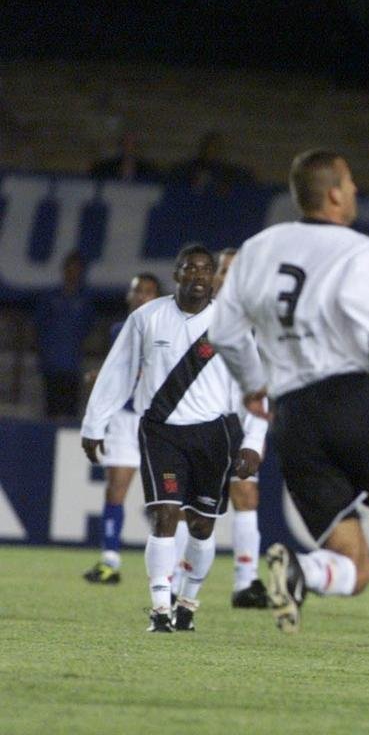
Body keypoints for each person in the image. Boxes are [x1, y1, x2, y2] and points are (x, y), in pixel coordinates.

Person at [208, 149, 369, 721]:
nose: (356, 192)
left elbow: (223, 329)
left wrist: (253, 384)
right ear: (335, 194)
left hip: (292, 416)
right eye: (351, 182)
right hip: (350, 400)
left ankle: (302, 571)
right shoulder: (357, 249)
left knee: (355, 566)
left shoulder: (258, 249)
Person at [80, 244, 267, 634]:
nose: (198, 276)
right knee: (164, 516)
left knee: (201, 526)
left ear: (214, 277)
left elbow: (254, 388)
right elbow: (118, 371)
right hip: (160, 431)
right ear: (176, 274)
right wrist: (94, 425)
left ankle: (187, 601)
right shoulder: (147, 318)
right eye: (189, 269)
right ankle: (160, 608)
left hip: (212, 433)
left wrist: (253, 441)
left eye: (205, 270)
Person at [83, 272, 162, 584]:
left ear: (159, 297)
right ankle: (110, 561)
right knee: (115, 488)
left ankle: (172, 571)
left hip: (157, 422)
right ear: (129, 297)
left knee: (166, 500)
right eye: (137, 291)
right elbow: (120, 368)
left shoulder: (170, 327)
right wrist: (100, 377)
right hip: (126, 418)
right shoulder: (119, 330)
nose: (142, 296)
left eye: (149, 291)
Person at [214, 247, 269, 609]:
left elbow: (265, 389)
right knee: (192, 509)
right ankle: (174, 584)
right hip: (197, 421)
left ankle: (245, 583)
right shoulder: (194, 316)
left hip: (242, 421)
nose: (228, 276)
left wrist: (255, 437)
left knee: (246, 496)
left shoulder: (262, 326)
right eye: (224, 269)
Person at [34, 250, 95, 419]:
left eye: (77, 269)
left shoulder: (85, 300)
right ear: (64, 270)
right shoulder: (50, 297)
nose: (73, 273)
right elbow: (39, 325)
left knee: (70, 410)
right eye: (70, 269)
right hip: (51, 363)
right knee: (51, 409)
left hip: (73, 364)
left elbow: (88, 327)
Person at [90, 131, 161, 182]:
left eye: (133, 144)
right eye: (126, 143)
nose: (129, 147)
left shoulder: (148, 170)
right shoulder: (106, 167)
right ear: (121, 145)